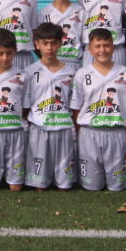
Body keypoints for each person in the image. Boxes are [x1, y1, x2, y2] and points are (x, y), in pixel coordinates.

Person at [71, 28, 126, 191]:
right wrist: (79, 136)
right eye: (98, 46)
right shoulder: (82, 74)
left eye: (106, 45)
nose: (102, 50)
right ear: (90, 49)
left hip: (117, 133)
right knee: (92, 186)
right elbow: (76, 109)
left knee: (117, 186)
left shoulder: (125, 73)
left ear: (113, 47)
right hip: (90, 133)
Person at [23, 23, 77, 191]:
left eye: (53, 43)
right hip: (39, 128)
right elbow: (26, 106)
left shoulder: (72, 72)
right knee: (40, 185)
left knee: (65, 186)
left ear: (61, 43)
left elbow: (74, 104)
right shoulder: (29, 72)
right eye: (45, 43)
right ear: (37, 44)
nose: (49, 47)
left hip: (63, 128)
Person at [0, 29, 30, 191]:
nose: (5, 58)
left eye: (9, 53)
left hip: (15, 132)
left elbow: (26, 107)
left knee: (16, 186)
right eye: (0, 53)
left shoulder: (22, 76)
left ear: (15, 51)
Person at [38, 0, 85, 71]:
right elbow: (38, 42)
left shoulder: (80, 12)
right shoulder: (43, 13)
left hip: (75, 64)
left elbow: (86, 43)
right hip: (52, 64)